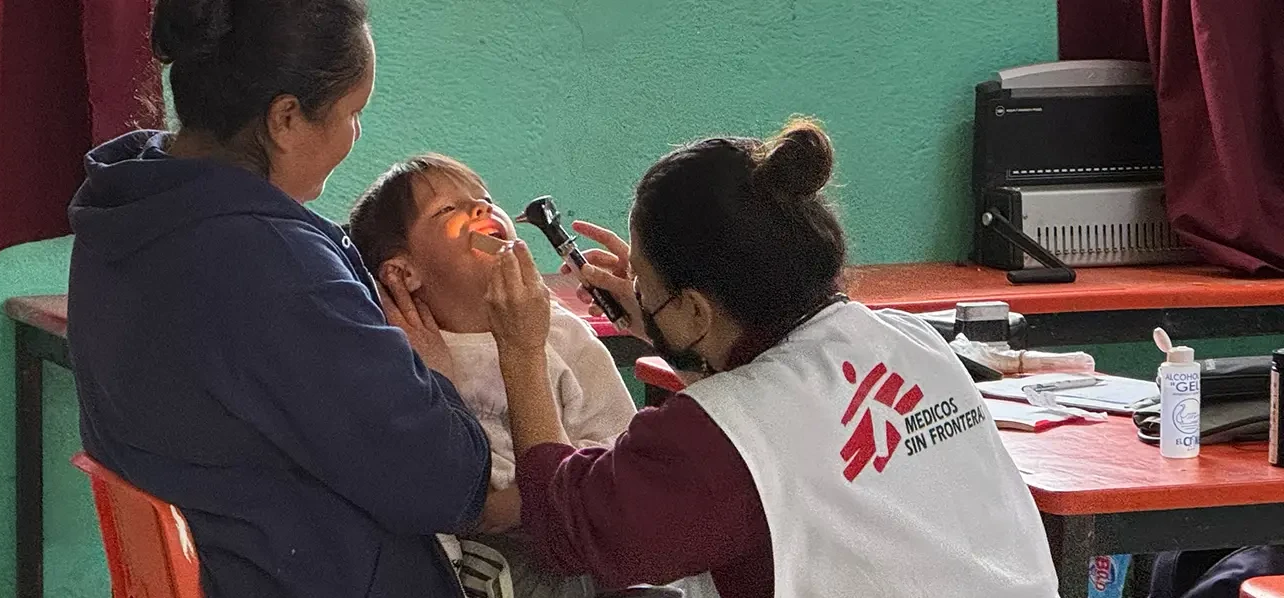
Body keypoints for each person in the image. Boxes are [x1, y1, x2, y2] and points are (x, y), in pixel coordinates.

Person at [483, 119, 1059, 597]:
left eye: (643, 279)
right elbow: (778, 408)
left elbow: (568, 528)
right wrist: (663, 325)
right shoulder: (909, 339)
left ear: (695, 310)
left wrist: (521, 348)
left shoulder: (719, 440)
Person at [66, 1, 518, 596]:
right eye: (352, 112)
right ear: (284, 118)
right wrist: (434, 372)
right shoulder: (272, 267)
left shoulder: (124, 211)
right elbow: (445, 485)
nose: (357, 134)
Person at [346, 154, 639, 598]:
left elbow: (617, 450)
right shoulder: (407, 357)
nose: (483, 210)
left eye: (484, 199)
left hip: (578, 551)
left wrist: (522, 505)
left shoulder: (562, 334)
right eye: (448, 210)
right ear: (403, 272)